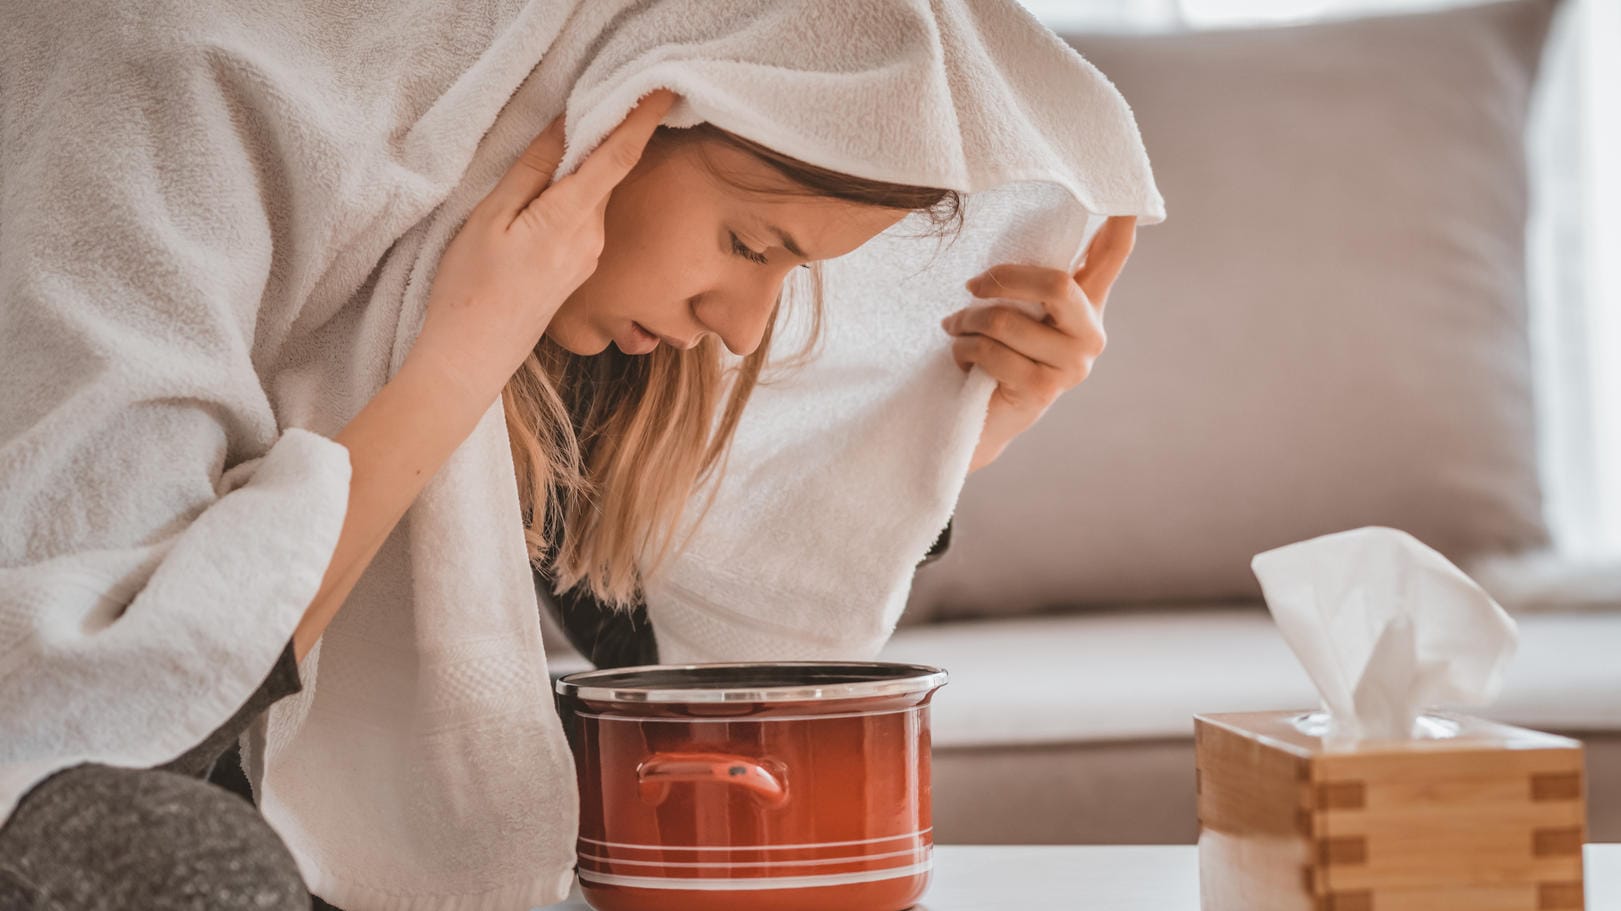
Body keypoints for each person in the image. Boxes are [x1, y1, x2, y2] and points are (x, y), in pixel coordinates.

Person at [0, 79, 1136, 908]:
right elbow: (138, 706)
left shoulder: (590, 370)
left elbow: (676, 658)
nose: (743, 324)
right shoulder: (251, 217)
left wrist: (944, 444)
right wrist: (456, 360)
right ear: (608, 126)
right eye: (749, 243)